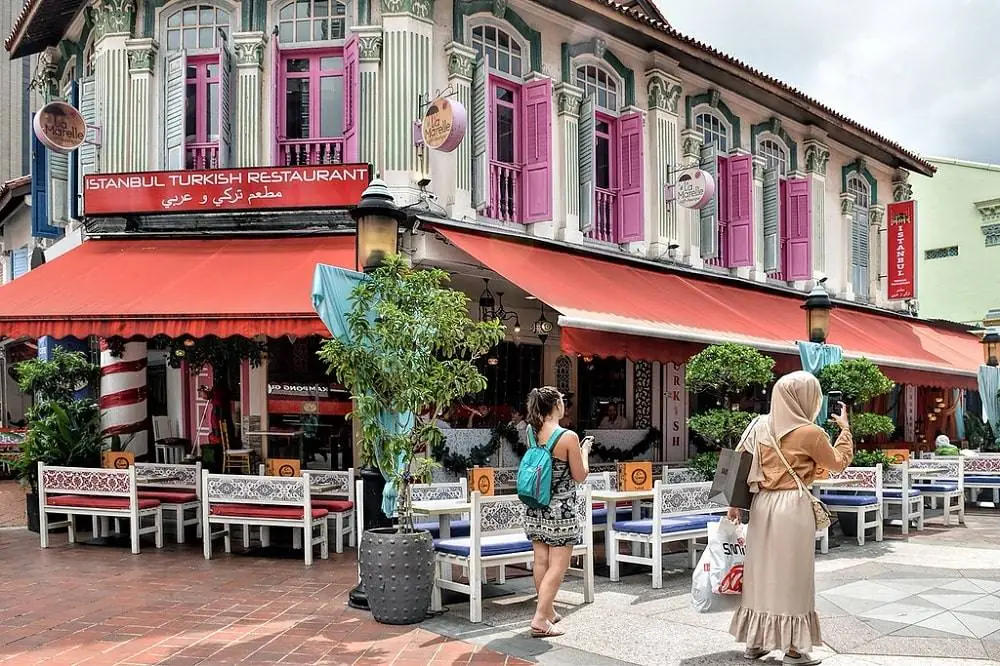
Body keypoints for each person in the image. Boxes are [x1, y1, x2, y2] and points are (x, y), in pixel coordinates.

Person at [729, 371, 853, 665]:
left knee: (761, 575)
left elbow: (736, 464)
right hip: (793, 507)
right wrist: (845, 431)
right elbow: (837, 464)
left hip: (762, 505)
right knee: (792, 578)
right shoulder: (810, 433)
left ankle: (756, 642)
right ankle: (795, 649)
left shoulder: (758, 425)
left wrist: (733, 505)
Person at [522, 386, 592, 639]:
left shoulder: (530, 431)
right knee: (558, 566)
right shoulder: (568, 437)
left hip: (535, 506)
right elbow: (580, 475)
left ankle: (548, 610)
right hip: (560, 510)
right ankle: (540, 619)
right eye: (562, 401)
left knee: (541, 560)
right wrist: (584, 452)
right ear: (556, 406)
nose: (564, 405)